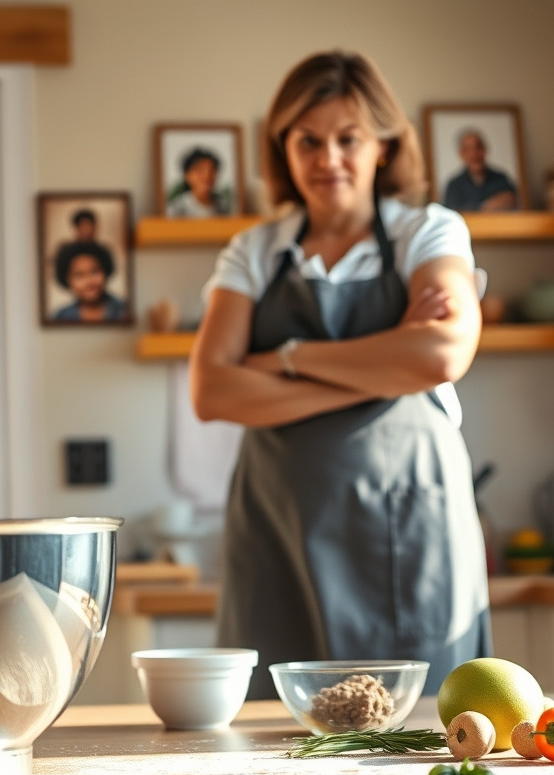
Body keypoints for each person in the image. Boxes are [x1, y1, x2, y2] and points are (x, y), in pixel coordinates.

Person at [188, 51, 489, 699]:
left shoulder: (429, 231)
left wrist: (288, 358)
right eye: (308, 140)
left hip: (408, 526)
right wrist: (387, 365)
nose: (329, 158)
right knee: (273, 732)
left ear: (384, 145)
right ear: (283, 149)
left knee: (417, 727)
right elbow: (211, 391)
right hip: (278, 533)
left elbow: (441, 355)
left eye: (348, 139)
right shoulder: (253, 251)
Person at [441, 129, 518, 212]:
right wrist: (486, 207)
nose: (474, 154)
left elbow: (512, 202)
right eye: (468, 149)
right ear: (461, 154)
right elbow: (451, 213)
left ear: (485, 149)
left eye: (478, 147)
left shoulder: (501, 179)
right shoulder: (454, 185)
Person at [52, 239, 127, 322]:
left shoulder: (124, 310)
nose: (89, 281)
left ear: (105, 272)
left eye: (95, 272)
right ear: (68, 280)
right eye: (79, 275)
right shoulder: (61, 316)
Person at [166, 147, 233, 217]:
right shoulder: (177, 208)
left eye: (211, 170)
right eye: (199, 170)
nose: (206, 176)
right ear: (187, 175)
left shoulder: (223, 205)